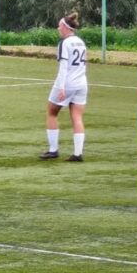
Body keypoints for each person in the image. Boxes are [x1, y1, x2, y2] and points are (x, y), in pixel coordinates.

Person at [40, 12, 88, 162]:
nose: (58, 28)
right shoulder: (81, 42)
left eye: (60, 25)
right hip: (82, 84)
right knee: (77, 117)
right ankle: (77, 153)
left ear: (66, 27)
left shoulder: (65, 43)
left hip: (67, 83)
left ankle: (53, 150)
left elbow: (63, 68)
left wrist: (61, 88)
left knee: (51, 112)